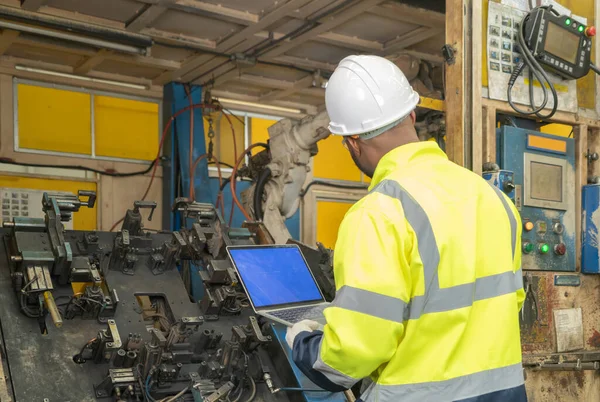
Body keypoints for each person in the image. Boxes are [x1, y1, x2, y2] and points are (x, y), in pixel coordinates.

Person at [285, 55, 527, 402]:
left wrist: (302, 341)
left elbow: (356, 351)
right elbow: (511, 303)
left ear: (351, 142)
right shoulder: (493, 198)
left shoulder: (378, 214)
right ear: (412, 115)